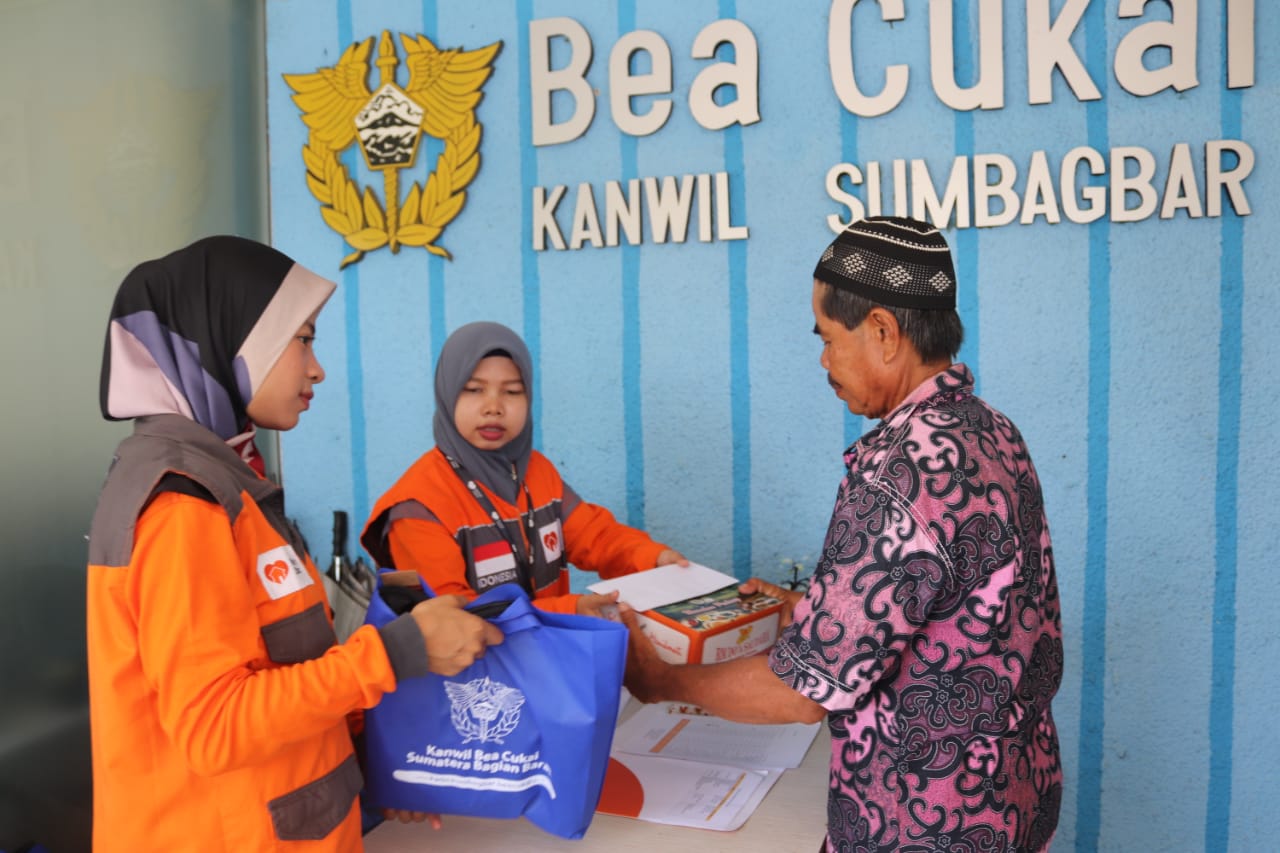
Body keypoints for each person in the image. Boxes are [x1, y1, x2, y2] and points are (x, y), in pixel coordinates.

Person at [622, 217, 1063, 852]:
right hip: (1018, 802)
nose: (825, 360)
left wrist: (657, 680)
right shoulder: (993, 431)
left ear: (883, 331)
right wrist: (817, 612)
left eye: (828, 338)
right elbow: (967, 616)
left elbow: (799, 694)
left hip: (921, 827)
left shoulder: (897, 472)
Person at [87, 235, 503, 851]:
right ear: (229, 337)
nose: (317, 368)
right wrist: (392, 653)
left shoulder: (233, 483)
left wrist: (380, 763)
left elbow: (294, 676)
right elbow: (215, 726)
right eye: (302, 339)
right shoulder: (183, 504)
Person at [361, 321, 686, 617]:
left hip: (541, 659)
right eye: (474, 390)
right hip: (469, 676)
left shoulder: (536, 471)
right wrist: (569, 609)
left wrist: (654, 558)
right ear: (446, 394)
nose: (494, 407)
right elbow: (454, 614)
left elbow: (595, 536)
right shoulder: (418, 507)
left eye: (512, 392)